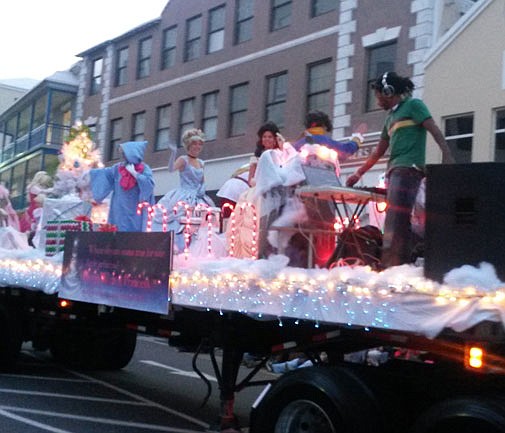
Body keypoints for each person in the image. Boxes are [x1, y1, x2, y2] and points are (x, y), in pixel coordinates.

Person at [346, 72, 454, 268]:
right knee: (396, 219)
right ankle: (396, 263)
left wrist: (447, 154)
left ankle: (392, 265)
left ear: (389, 92)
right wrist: (358, 173)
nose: (377, 100)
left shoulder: (414, 105)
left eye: (379, 95)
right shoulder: (390, 118)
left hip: (409, 168)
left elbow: (434, 129)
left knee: (396, 220)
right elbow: (379, 151)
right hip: (395, 171)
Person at [153, 128, 215, 252]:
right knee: (179, 220)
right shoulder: (183, 159)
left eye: (199, 144)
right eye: (194, 144)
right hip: (183, 196)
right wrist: (173, 153)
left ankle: (196, 250)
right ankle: (176, 248)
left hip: (198, 197)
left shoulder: (201, 163)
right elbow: (171, 169)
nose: (197, 146)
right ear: (188, 145)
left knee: (201, 223)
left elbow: (202, 180)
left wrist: (202, 190)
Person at [90, 141, 154, 232]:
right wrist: (89, 173)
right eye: (123, 154)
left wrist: (135, 174)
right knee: (118, 228)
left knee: (135, 231)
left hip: (135, 208)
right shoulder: (117, 168)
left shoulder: (144, 169)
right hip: (119, 207)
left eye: (125, 153)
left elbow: (149, 185)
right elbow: (105, 175)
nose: (123, 156)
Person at [293, 110, 364, 162]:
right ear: (323, 126)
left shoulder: (296, 144)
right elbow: (346, 151)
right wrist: (357, 137)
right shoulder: (322, 140)